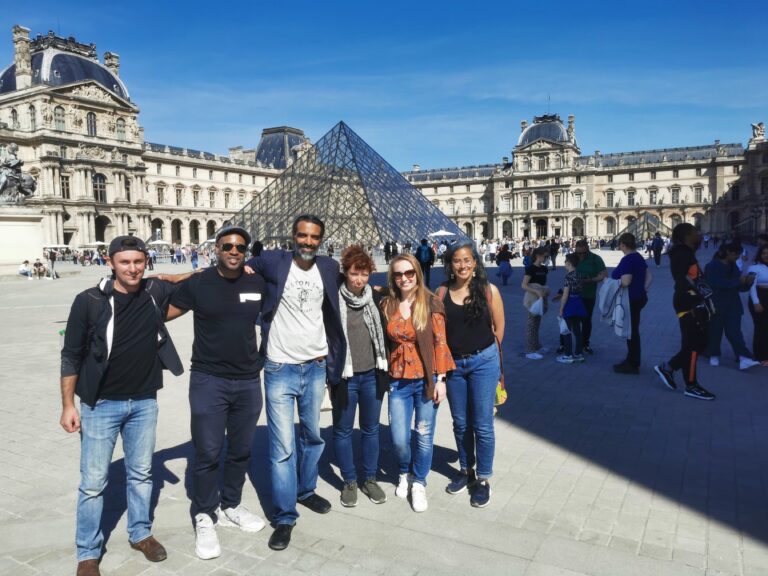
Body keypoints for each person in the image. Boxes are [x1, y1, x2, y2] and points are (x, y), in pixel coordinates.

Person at [60, 236, 183, 576]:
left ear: (146, 262)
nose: (132, 268)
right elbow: (70, 355)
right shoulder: (89, 301)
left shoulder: (153, 293)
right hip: (101, 405)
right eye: (125, 262)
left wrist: (235, 266)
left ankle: (140, 533)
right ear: (110, 261)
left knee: (142, 474)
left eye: (138, 261)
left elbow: (188, 281)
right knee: (93, 482)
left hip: (144, 401)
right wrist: (68, 405)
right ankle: (87, 552)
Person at [245, 215, 345, 551]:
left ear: (321, 239)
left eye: (313, 237)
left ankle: (306, 490)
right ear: (293, 237)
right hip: (279, 367)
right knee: (282, 447)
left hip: (315, 366)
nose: (307, 241)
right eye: (302, 235)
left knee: (313, 437)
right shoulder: (274, 260)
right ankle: (285, 516)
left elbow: (350, 284)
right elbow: (244, 265)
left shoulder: (329, 267)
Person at [168, 227, 267, 560]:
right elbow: (163, 312)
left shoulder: (257, 282)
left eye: (241, 246)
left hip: (249, 380)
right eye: (228, 246)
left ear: (247, 251)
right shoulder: (199, 283)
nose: (235, 251)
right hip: (209, 380)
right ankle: (205, 514)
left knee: (240, 449)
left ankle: (231, 505)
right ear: (216, 249)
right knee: (208, 452)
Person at [382, 253, 454, 513]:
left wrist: (441, 379)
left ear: (417, 274)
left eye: (409, 273)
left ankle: (419, 481)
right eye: (399, 274)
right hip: (397, 382)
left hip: (426, 379)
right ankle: (404, 472)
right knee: (399, 438)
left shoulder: (431, 302)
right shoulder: (387, 305)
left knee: (423, 436)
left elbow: (441, 343)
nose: (404, 278)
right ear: (393, 277)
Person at [438, 241, 504, 508]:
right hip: (454, 365)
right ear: (450, 264)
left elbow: (499, 329)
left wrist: (491, 360)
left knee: (483, 424)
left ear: (475, 263)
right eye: (457, 260)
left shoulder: (489, 291)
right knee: (460, 422)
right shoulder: (441, 293)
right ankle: (467, 471)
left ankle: (484, 478)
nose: (462, 265)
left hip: (483, 362)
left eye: (467, 260)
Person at [333, 246, 389, 508]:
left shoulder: (375, 299)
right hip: (345, 378)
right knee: (343, 430)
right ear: (345, 272)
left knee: (371, 429)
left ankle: (370, 478)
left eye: (364, 273)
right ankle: (349, 481)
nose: (359, 279)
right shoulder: (333, 301)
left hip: (371, 375)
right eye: (355, 273)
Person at [653, 223, 716, 400]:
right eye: (696, 231)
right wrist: (696, 302)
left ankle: (669, 368)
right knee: (694, 345)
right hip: (688, 303)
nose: (699, 233)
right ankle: (691, 384)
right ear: (687, 235)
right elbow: (682, 280)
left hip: (692, 302)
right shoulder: (682, 254)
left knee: (697, 343)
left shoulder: (686, 253)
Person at [705, 242, 760, 370]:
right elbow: (715, 283)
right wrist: (738, 281)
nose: (738, 257)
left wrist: (747, 283)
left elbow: (738, 287)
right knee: (715, 331)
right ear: (728, 252)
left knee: (734, 332)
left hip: (733, 305)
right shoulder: (712, 265)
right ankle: (714, 355)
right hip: (716, 304)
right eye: (736, 254)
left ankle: (743, 358)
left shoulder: (733, 266)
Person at [611, 233, 652, 374]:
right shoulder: (638, 257)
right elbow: (650, 277)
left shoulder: (628, 259)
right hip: (639, 297)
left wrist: (613, 285)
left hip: (630, 300)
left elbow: (626, 281)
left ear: (623, 244)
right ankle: (631, 359)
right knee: (633, 330)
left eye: (619, 244)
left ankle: (633, 364)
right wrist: (643, 289)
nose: (619, 247)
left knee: (631, 332)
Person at [574, 239, 607, 354]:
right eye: (579, 253)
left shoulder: (595, 259)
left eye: (584, 253)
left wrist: (591, 280)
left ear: (588, 249)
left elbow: (604, 275)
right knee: (571, 320)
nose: (581, 255)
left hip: (588, 295)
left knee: (586, 320)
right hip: (573, 295)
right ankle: (565, 344)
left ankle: (585, 343)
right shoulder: (572, 257)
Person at [557, 253, 588, 364]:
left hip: (570, 304)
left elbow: (565, 295)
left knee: (566, 330)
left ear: (569, 263)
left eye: (565, 262)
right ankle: (579, 354)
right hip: (579, 303)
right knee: (577, 330)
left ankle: (568, 355)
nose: (564, 264)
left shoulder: (568, 276)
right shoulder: (579, 275)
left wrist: (561, 308)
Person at [521, 246, 551, 360]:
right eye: (545, 256)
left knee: (537, 323)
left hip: (541, 298)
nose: (547, 258)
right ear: (538, 256)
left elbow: (543, 283)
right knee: (531, 324)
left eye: (547, 256)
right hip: (532, 299)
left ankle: (536, 346)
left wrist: (545, 290)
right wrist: (536, 291)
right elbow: (523, 285)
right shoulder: (530, 269)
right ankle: (529, 350)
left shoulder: (544, 269)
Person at [747, 245, 768, 365]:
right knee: (761, 328)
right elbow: (752, 286)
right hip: (760, 298)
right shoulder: (754, 267)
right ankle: (761, 356)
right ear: (760, 255)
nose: (766, 255)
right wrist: (756, 302)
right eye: (764, 253)